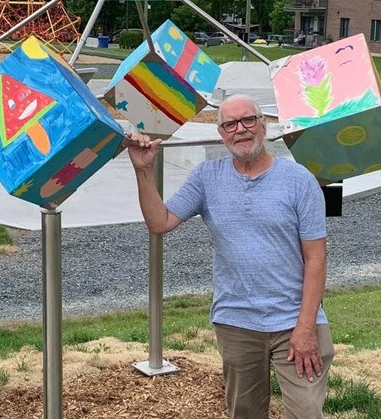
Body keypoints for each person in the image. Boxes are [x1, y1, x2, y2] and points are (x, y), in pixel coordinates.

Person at [126, 94, 332, 419]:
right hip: (237, 321)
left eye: (248, 120)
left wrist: (305, 327)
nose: (241, 130)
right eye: (230, 124)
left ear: (263, 125)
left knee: (306, 412)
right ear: (221, 133)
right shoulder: (207, 178)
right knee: (244, 413)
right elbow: (159, 222)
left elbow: (316, 259)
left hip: (295, 321)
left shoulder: (299, 181)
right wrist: (143, 170)